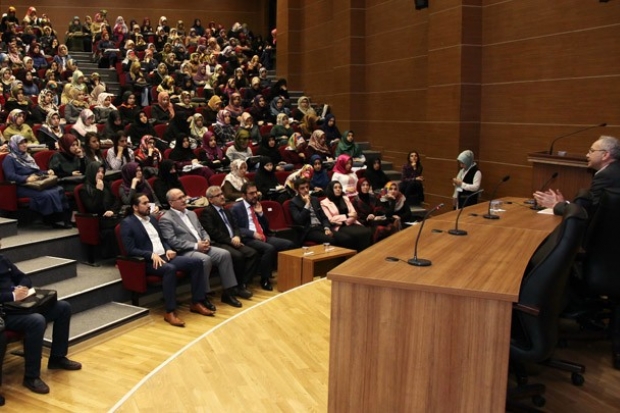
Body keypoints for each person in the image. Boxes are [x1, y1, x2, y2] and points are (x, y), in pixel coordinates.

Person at [1, 240, 81, 395]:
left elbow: (23, 278)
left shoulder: (3, 259)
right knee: (37, 321)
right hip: (4, 314)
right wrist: (11, 295)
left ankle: (57, 358)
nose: (1, 244)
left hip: (21, 307)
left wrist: (21, 287)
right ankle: (31, 377)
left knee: (63, 307)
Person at [120, 193, 209, 326]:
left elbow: (163, 240)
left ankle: (197, 302)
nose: (149, 205)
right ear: (135, 207)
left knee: (196, 262)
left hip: (164, 256)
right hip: (148, 262)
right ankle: (170, 311)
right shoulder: (128, 223)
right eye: (144, 203)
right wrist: (150, 254)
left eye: (149, 202)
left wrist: (168, 249)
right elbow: (130, 249)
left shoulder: (153, 219)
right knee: (170, 269)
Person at [159, 189, 245, 309]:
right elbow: (172, 241)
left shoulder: (191, 213)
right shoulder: (166, 219)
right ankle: (202, 296)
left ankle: (228, 292)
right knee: (204, 260)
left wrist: (206, 240)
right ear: (171, 203)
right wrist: (196, 246)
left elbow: (202, 230)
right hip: (185, 251)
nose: (184, 200)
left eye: (183, 196)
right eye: (179, 198)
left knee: (224, 254)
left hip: (202, 246)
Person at [534, 135, 620, 217]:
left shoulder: (606, 176)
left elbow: (587, 212)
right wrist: (564, 203)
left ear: (605, 155)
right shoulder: (614, 170)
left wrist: (556, 205)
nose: (587, 155)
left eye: (591, 151)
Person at [231, 182, 295, 290]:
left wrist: (260, 214)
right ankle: (265, 279)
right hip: (248, 239)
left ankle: (287, 275)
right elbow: (236, 228)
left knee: (289, 245)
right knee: (269, 249)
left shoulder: (257, 205)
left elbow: (266, 226)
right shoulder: (236, 208)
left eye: (255, 192)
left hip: (263, 236)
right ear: (243, 195)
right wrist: (252, 233)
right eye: (251, 193)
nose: (255, 195)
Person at [2, 135, 72, 229]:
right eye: (21, 143)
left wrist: (46, 172)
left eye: (25, 142)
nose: (24, 145)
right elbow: (10, 176)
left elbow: (36, 171)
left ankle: (62, 219)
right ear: (14, 145)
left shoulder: (27, 157)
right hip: (21, 186)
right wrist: (26, 178)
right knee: (46, 194)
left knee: (58, 189)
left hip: (35, 183)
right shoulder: (9, 159)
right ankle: (50, 220)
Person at [201, 186, 259, 297]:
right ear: (210, 199)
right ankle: (235, 287)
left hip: (234, 240)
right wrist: (231, 240)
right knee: (238, 256)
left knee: (252, 253)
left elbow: (236, 226)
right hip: (220, 243)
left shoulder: (226, 209)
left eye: (222, 194)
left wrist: (237, 236)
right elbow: (213, 233)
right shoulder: (207, 212)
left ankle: (242, 284)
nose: (222, 196)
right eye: (218, 195)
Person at [78, 161, 121, 257]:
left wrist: (112, 211)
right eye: (98, 172)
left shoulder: (105, 184)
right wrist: (99, 191)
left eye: (102, 172)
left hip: (111, 217)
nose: (101, 174)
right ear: (92, 172)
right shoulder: (84, 190)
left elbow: (116, 201)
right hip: (98, 220)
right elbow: (93, 208)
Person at [320, 181, 372, 252]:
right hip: (338, 227)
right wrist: (347, 215)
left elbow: (354, 214)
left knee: (367, 231)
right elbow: (331, 219)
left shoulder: (345, 198)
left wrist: (345, 221)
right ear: (331, 189)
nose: (338, 189)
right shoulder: (324, 203)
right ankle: (357, 254)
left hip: (350, 223)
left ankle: (365, 253)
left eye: (340, 187)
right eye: (335, 187)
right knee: (356, 235)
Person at [289, 177, 335, 246]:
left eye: (307, 187)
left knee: (343, 238)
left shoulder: (315, 199)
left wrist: (327, 228)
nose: (306, 190)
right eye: (302, 188)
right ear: (297, 190)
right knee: (331, 240)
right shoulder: (294, 202)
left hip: (321, 227)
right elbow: (299, 220)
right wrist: (307, 204)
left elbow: (324, 217)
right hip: (309, 230)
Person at [352, 178, 399, 243]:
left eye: (367, 185)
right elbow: (356, 216)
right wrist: (367, 218)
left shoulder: (374, 197)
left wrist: (375, 215)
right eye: (363, 185)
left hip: (376, 220)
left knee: (391, 226)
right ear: (359, 186)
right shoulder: (355, 200)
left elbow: (380, 208)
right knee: (380, 229)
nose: (365, 187)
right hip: (364, 223)